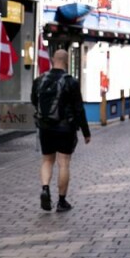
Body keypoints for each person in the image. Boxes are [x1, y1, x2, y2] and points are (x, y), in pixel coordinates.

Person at [31, 49, 91, 212]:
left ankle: (45, 188)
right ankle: (61, 201)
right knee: (63, 163)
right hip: (65, 128)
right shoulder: (71, 82)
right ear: (66, 61)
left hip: (45, 127)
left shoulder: (39, 80)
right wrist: (86, 132)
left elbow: (33, 101)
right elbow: (79, 109)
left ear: (52, 60)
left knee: (47, 160)